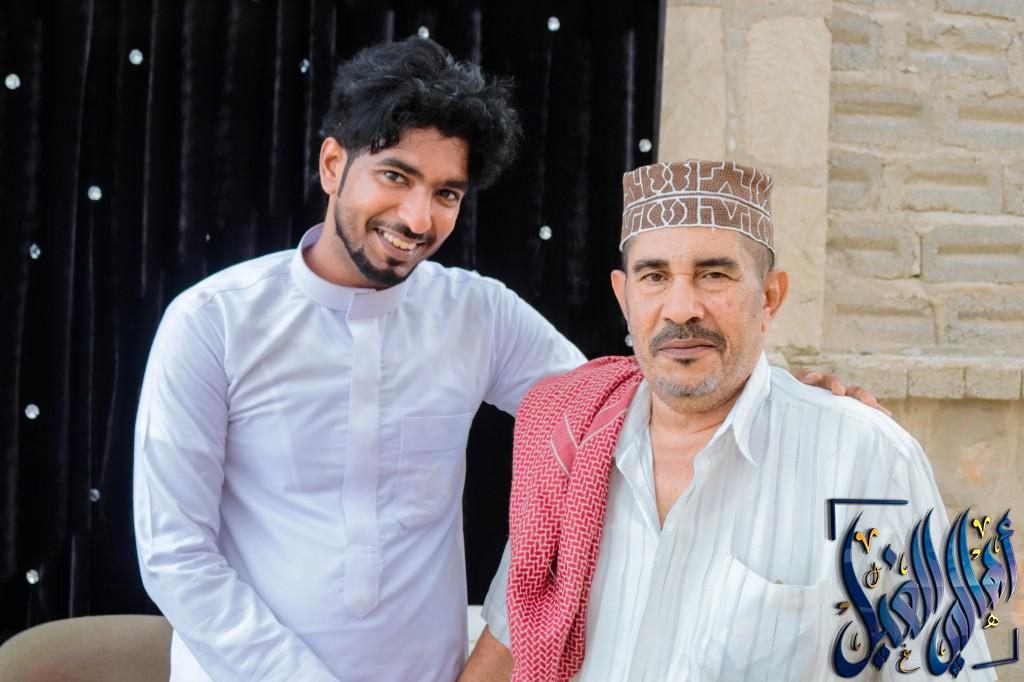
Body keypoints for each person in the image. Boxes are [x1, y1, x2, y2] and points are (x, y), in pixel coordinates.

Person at [133, 38, 878, 681]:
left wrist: (770, 391)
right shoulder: (213, 323)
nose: (417, 217)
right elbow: (176, 555)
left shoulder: (475, 313)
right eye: (395, 176)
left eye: (446, 193)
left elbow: (618, 406)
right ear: (334, 164)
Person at [462, 160, 995, 681]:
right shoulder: (572, 446)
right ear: (624, 297)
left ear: (769, 297)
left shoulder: (863, 457)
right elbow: (512, 641)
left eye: (714, 274)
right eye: (654, 276)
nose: (681, 308)